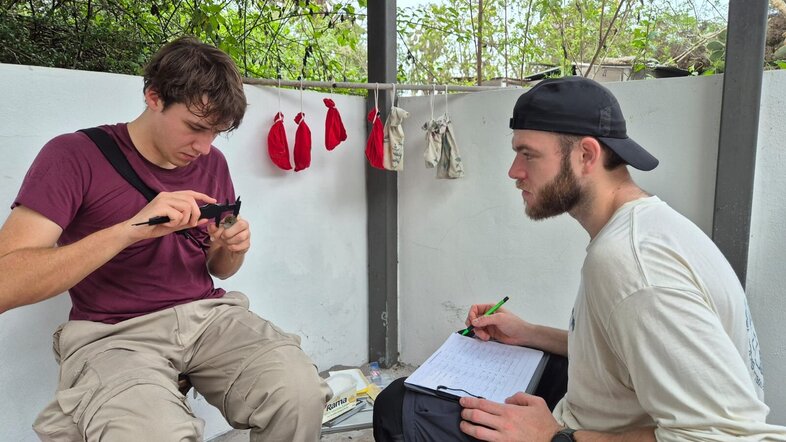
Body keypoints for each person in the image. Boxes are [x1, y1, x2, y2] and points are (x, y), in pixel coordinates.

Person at [373, 76, 786, 441]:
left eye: (528, 154)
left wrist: (555, 439)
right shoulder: (642, 227)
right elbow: (621, 352)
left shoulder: (632, 262)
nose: (514, 171)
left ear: (586, 155)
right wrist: (529, 333)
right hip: (600, 411)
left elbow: (729, 436)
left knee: (398, 407)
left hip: (583, 432)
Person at [0, 37, 330, 441]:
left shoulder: (212, 163)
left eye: (216, 133)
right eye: (194, 128)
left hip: (208, 319)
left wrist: (230, 249)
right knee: (153, 432)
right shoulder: (73, 155)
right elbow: (6, 284)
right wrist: (131, 229)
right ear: (153, 97)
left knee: (299, 392)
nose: (204, 147)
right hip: (114, 333)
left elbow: (217, 269)